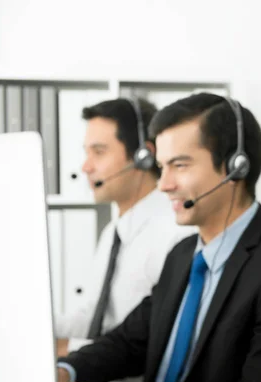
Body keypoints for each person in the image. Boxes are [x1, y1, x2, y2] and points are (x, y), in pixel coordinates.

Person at [56, 93, 261, 382]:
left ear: (236, 167)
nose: (163, 184)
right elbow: (130, 341)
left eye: (179, 165)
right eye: (161, 166)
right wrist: (66, 370)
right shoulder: (183, 255)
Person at [55, 98, 195, 359]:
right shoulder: (113, 232)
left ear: (144, 155)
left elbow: (158, 344)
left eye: (99, 152)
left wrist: (67, 349)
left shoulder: (176, 236)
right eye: (86, 153)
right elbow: (92, 317)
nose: (86, 167)